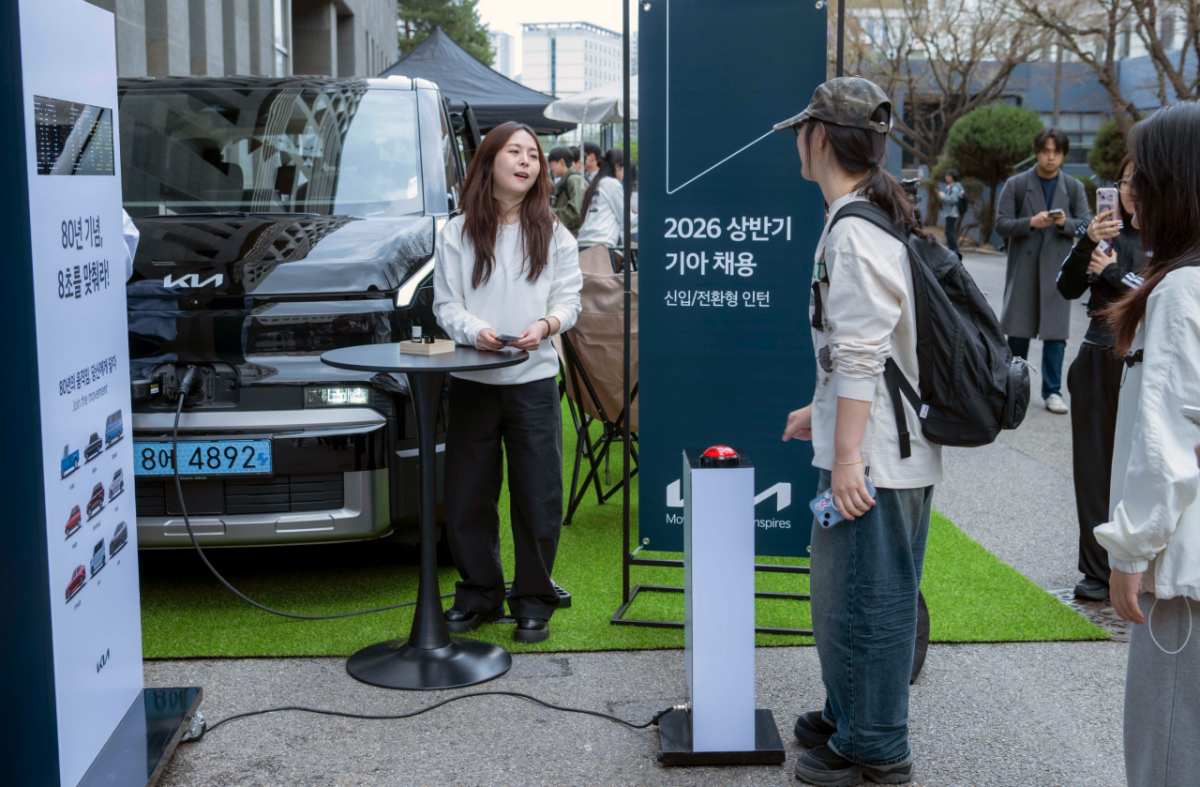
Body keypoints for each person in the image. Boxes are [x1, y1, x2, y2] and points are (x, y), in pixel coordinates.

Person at [777, 76, 941, 787]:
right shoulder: (863, 215)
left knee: (869, 598)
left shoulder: (854, 229)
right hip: (876, 448)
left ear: (821, 137)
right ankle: (850, 716)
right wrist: (825, 412)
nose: (796, 142)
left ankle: (877, 747)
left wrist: (846, 456)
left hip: (873, 460)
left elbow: (864, 352)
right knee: (849, 591)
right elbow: (868, 349)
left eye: (802, 130)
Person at [432, 121, 583, 644]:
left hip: (534, 377)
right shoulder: (456, 231)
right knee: (469, 494)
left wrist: (545, 327)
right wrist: (478, 332)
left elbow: (569, 300)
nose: (527, 162)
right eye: (515, 152)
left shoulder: (555, 232)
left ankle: (534, 598)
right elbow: (446, 304)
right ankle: (479, 594)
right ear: (489, 161)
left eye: (534, 156)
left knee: (538, 494)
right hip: (473, 377)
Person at [1092, 101, 1200, 787]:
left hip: (1180, 569)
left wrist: (1128, 551)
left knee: (1165, 751)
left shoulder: (1179, 291)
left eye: (1141, 181)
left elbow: (1165, 442)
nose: (1131, 199)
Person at [1056, 154, 1147, 602]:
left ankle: (1137, 562)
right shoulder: (1102, 231)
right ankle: (1096, 570)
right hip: (1096, 353)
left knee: (1139, 465)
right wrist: (1084, 244)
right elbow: (1067, 287)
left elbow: (1155, 294)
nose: (1129, 191)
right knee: (1093, 468)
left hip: (1143, 358)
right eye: (1124, 182)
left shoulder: (1171, 236)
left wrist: (1109, 272)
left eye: (1138, 182)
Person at [995, 127, 1091, 415]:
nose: (1051, 157)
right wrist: (1031, 223)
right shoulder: (1017, 183)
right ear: (1037, 151)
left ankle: (1053, 392)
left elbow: (1087, 226)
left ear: (1063, 154)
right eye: (1045, 151)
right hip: (1024, 266)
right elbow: (1001, 224)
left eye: (1057, 152)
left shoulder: (1073, 187)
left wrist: (1064, 223)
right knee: (1018, 334)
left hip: (1058, 269)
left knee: (1056, 335)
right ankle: (1012, 390)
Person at [576, 147, 626, 254]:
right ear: (617, 167)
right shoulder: (612, 184)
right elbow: (626, 218)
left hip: (583, 243)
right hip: (601, 245)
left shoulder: (595, 183)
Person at [548, 146, 585, 236]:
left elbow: (576, 213)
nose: (550, 168)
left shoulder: (574, 180)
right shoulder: (568, 180)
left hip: (575, 237)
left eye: (551, 164)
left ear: (561, 162)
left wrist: (548, 213)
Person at [937, 169, 964, 253]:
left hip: (952, 212)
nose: (946, 177)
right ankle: (953, 250)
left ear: (953, 177)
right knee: (949, 232)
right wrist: (941, 197)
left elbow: (953, 199)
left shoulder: (955, 187)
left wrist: (943, 196)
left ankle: (954, 251)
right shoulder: (952, 186)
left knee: (949, 232)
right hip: (950, 212)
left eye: (948, 176)